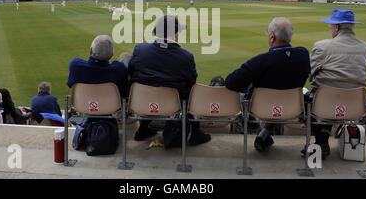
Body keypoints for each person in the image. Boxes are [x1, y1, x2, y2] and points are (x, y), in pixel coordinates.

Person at [225, 17, 310, 152]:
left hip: (261, 110)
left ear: (272, 37)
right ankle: (264, 133)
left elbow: (231, 83)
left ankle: (259, 131)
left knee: (244, 96)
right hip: (292, 108)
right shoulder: (303, 55)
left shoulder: (260, 61)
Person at [128, 15, 211, 146]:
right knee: (192, 93)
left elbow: (131, 73)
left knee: (149, 88)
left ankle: (142, 129)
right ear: (176, 35)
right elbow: (191, 83)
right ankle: (196, 133)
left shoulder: (140, 50)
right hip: (174, 106)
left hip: (142, 103)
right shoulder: (186, 57)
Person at [306, 9, 366, 157]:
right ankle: (321, 142)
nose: (330, 29)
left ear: (336, 27)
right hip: (356, 108)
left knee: (317, 95)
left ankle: (319, 143)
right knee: (333, 93)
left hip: (323, 106)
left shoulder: (322, 46)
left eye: (330, 26)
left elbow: (309, 74)